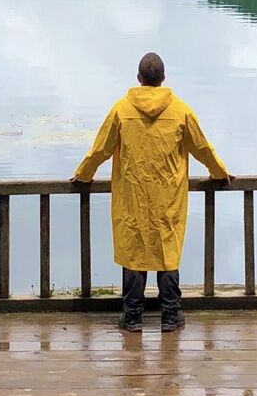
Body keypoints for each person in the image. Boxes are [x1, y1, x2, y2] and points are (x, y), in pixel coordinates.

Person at [72, 51, 232, 333]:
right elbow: (203, 149)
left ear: (139, 79)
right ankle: (170, 315)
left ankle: (132, 316)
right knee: (167, 251)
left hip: (131, 195)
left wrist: (84, 175)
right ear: (163, 79)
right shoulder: (181, 110)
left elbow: (100, 150)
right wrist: (219, 173)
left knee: (134, 251)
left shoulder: (122, 109)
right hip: (168, 197)